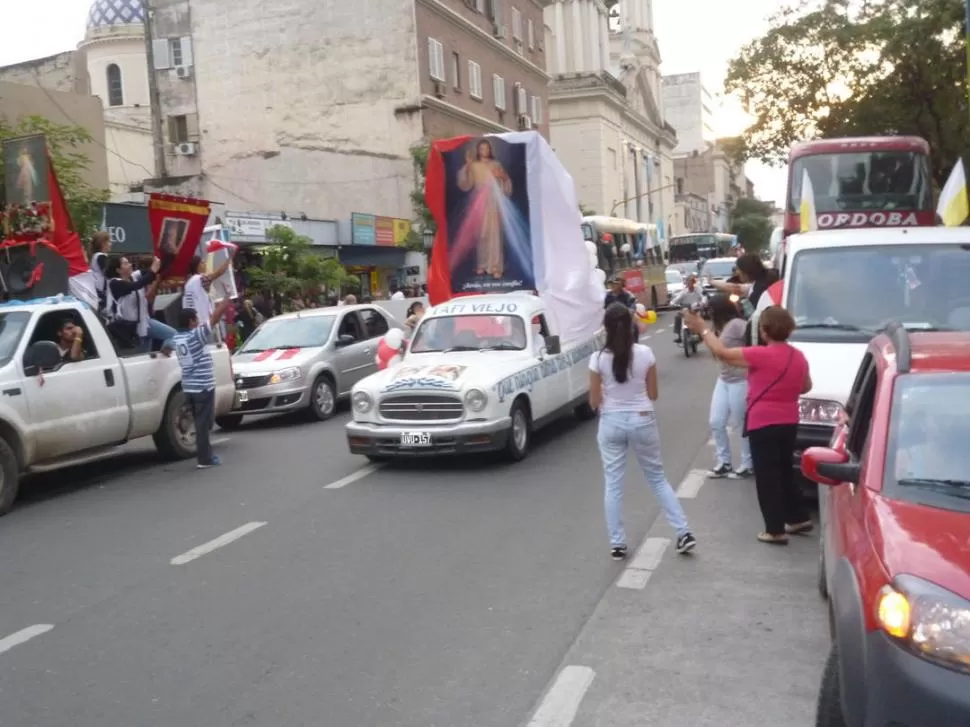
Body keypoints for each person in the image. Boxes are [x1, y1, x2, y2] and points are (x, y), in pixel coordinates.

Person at [683, 305, 813, 544]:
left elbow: (722, 353)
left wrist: (702, 329)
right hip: (790, 420)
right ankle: (798, 517)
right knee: (785, 470)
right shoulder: (798, 356)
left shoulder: (759, 354)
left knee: (767, 476)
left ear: (764, 331)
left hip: (763, 420)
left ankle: (774, 529)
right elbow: (806, 387)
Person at [589, 303, 697, 560]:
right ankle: (683, 532)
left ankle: (617, 544)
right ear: (632, 325)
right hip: (642, 419)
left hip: (611, 422)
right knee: (657, 479)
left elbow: (594, 402)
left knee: (613, 484)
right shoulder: (646, 353)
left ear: (606, 328)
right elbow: (653, 394)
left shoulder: (597, 359)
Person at [172, 287, 232, 469]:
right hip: (202, 386)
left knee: (202, 422)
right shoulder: (194, 336)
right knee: (203, 423)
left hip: (189, 386)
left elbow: (167, 346)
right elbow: (213, 319)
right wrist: (226, 299)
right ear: (191, 322)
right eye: (196, 319)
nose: (199, 321)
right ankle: (205, 458)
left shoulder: (177, 338)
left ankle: (204, 453)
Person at [705, 295, 753, 478]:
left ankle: (748, 463)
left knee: (740, 423)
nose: (708, 312)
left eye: (710, 309)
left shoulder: (737, 324)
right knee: (716, 422)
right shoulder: (718, 327)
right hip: (724, 379)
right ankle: (724, 462)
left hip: (740, 379)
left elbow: (752, 340)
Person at [457, 139, 512, 278]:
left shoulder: (496, 164)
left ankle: (495, 266)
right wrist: (468, 166)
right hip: (478, 203)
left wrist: (504, 178)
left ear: (490, 150)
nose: (484, 151)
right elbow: (465, 184)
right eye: (481, 148)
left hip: (493, 202)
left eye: (487, 148)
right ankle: (482, 264)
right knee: (481, 234)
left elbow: (506, 184)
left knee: (495, 234)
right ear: (478, 150)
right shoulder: (474, 165)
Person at [104, 256, 175, 350]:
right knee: (173, 335)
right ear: (118, 270)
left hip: (144, 322)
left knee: (146, 355)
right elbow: (136, 285)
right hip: (132, 327)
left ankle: (166, 353)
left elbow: (153, 273)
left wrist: (165, 257)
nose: (129, 265)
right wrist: (152, 271)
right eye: (125, 263)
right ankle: (166, 352)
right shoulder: (115, 283)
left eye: (128, 262)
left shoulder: (134, 276)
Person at [182, 249, 237, 328]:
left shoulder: (189, 282)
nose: (205, 264)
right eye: (202, 262)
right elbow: (219, 273)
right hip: (202, 323)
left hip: (194, 323)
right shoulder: (200, 279)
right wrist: (230, 257)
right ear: (197, 266)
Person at [671, 274, 704, 343]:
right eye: (687, 282)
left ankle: (700, 334)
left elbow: (703, 297)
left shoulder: (698, 289)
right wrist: (672, 303)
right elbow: (678, 297)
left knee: (699, 318)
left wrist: (701, 303)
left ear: (693, 283)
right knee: (678, 317)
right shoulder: (684, 291)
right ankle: (679, 336)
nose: (688, 284)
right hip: (685, 309)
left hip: (696, 309)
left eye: (690, 282)